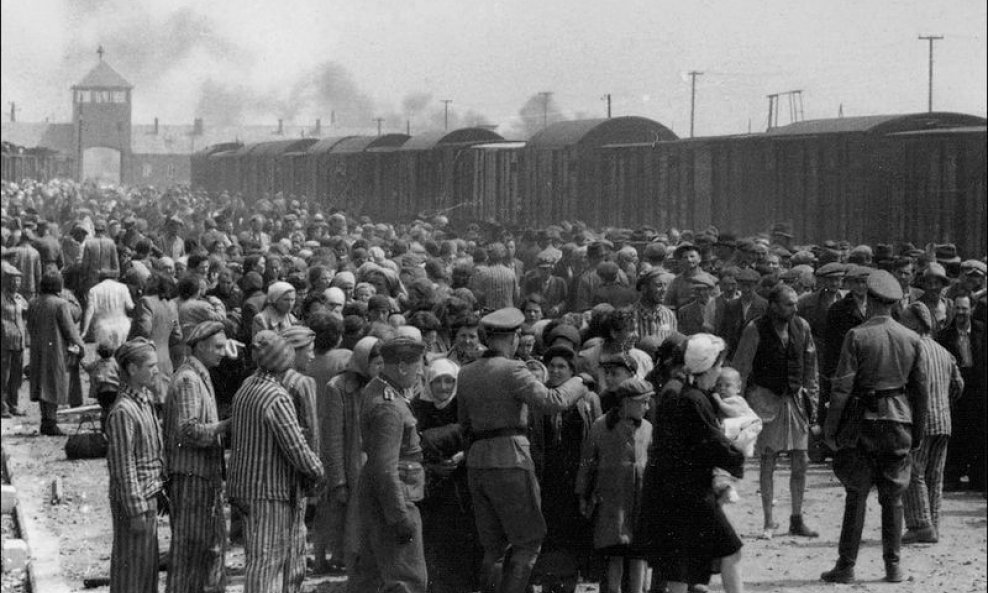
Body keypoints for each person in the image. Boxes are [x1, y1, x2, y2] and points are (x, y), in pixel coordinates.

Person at [456, 307, 589, 593]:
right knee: (528, 542)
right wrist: (578, 382)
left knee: (494, 547)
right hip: (511, 460)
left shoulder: (465, 373)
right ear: (514, 337)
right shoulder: (514, 369)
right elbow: (553, 400)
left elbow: (464, 424)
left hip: (478, 463)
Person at [822, 270, 929, 584]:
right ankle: (893, 566)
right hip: (899, 423)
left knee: (856, 495)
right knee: (892, 498)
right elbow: (920, 391)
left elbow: (841, 389)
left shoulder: (856, 336)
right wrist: (918, 432)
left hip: (863, 424)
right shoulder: (911, 338)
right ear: (894, 303)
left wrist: (831, 429)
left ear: (868, 299)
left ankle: (846, 565)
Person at [636, 333, 745, 593]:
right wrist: (738, 452)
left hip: (672, 492)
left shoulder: (682, 391)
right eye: (718, 365)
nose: (720, 371)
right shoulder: (694, 398)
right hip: (691, 495)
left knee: (679, 568)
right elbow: (713, 444)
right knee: (730, 551)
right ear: (708, 366)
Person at [228, 330, 325, 593]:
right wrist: (318, 471)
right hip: (270, 492)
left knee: (261, 561)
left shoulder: (247, 387)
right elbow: (296, 448)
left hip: (247, 488)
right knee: (268, 565)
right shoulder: (276, 396)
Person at [732, 284, 820, 539]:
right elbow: (741, 368)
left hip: (794, 400)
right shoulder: (755, 329)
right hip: (765, 400)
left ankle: (796, 518)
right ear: (773, 305)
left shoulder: (802, 327)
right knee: (768, 460)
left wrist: (812, 402)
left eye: (795, 304)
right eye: (788, 304)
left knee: (800, 460)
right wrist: (740, 409)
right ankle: (769, 522)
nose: (794, 308)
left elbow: (811, 368)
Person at [348, 336, 429, 593]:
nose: (421, 372)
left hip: (379, 498)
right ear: (403, 367)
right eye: (418, 366)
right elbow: (385, 470)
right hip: (395, 500)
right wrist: (399, 518)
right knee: (407, 579)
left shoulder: (378, 389)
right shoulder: (389, 407)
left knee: (372, 579)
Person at [163, 320, 231, 593]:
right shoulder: (189, 380)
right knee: (191, 553)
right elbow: (188, 431)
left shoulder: (197, 375)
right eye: (217, 347)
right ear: (200, 347)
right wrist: (225, 427)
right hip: (192, 479)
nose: (223, 353)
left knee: (203, 550)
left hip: (200, 477)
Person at [576, 377, 653, 593]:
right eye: (643, 402)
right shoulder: (601, 426)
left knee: (638, 554)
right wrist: (583, 494)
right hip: (612, 502)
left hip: (638, 500)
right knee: (614, 553)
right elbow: (587, 462)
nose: (647, 407)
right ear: (626, 402)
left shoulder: (647, 427)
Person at [899, 302, 963, 544]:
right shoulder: (944, 352)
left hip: (921, 421)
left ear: (916, 323)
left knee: (913, 470)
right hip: (944, 420)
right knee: (935, 476)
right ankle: (933, 524)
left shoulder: (912, 348)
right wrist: (944, 401)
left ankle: (919, 524)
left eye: (905, 320)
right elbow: (959, 386)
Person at [105, 338, 166, 593]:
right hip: (136, 501)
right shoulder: (123, 411)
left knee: (146, 571)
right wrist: (136, 509)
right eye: (150, 366)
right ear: (131, 369)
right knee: (131, 573)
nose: (156, 371)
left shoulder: (144, 401)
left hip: (148, 495)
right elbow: (123, 466)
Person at [319, 336, 383, 572]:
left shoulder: (385, 387)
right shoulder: (338, 388)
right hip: (353, 467)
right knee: (353, 527)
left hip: (379, 465)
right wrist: (338, 481)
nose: (381, 369)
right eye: (376, 363)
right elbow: (332, 438)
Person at [27, 271, 86, 435]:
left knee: (41, 384)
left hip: (38, 348)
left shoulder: (33, 303)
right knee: (52, 383)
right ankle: (51, 423)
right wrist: (81, 347)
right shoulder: (60, 304)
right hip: (55, 349)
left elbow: (30, 326)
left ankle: (45, 420)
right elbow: (70, 330)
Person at [938, 295, 986, 492]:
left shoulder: (982, 330)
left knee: (979, 433)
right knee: (957, 432)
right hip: (957, 389)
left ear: (971, 309)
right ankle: (952, 476)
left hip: (979, 387)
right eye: (957, 308)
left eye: (964, 308)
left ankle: (978, 478)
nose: (960, 313)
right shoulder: (944, 336)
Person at [1, 261, 29, 417]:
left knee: (16, 376)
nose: (16, 283)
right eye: (13, 280)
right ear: (6, 281)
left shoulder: (19, 298)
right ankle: (2, 406)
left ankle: (13, 404)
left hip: (18, 341)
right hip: (4, 342)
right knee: (3, 375)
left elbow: (27, 311)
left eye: (18, 280)